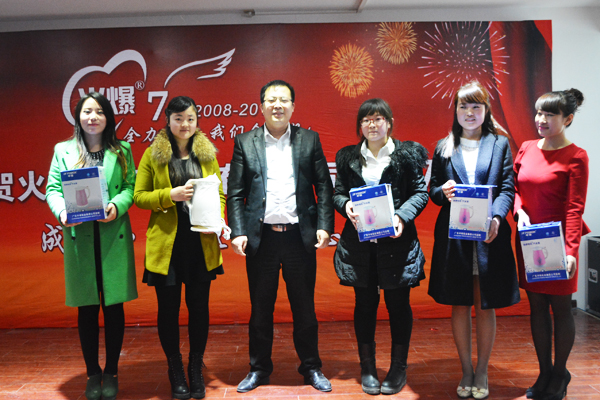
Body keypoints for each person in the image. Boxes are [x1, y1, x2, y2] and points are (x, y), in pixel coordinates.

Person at [227, 80, 335, 393]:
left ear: (293, 106)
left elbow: (323, 186)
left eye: (283, 100)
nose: (277, 105)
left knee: (304, 308)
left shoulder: (309, 140)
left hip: (299, 238)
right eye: (271, 100)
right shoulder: (245, 142)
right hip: (262, 239)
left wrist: (324, 226)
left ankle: (311, 367)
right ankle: (259, 369)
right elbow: (235, 192)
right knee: (261, 309)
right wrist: (238, 231)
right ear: (261, 106)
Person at [428, 81, 520, 400]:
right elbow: (432, 191)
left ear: (485, 110)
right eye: (463, 106)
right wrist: (443, 192)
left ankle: (482, 370)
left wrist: (497, 217)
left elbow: (507, 188)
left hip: (488, 235)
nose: (469, 112)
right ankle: (466, 369)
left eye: (476, 106)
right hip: (454, 238)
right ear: (455, 110)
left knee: (484, 303)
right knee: (460, 301)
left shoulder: (499, 144)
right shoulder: (444, 146)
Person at [332, 98, 428, 395]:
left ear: (389, 122)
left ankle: (398, 367)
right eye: (366, 120)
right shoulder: (347, 157)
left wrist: (402, 216)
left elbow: (420, 193)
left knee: (398, 304)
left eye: (378, 119)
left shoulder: (406, 155)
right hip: (360, 246)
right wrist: (345, 205)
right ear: (359, 126)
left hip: (397, 245)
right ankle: (368, 367)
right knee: (364, 305)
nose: (372, 125)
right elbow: (337, 193)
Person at [46, 92, 137, 400]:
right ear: (78, 117)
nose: (93, 117)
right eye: (87, 111)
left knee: (114, 308)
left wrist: (116, 206)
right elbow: (53, 188)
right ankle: (92, 373)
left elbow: (130, 187)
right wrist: (62, 212)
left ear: (108, 117)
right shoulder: (63, 150)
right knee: (87, 309)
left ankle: (111, 371)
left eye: (99, 111)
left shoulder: (122, 150)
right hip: (80, 239)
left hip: (112, 237)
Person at [134, 96, 225, 400]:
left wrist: (217, 219)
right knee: (168, 310)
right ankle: (174, 368)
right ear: (168, 120)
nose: (185, 125)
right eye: (178, 119)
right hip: (167, 245)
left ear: (197, 120)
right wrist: (168, 195)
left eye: (190, 119)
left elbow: (220, 195)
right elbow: (139, 196)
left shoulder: (207, 154)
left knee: (199, 308)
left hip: (200, 242)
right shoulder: (153, 154)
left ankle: (195, 366)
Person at [514, 89, 589, 400]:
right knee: (536, 307)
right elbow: (515, 188)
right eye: (538, 113)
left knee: (561, 308)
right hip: (529, 240)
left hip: (558, 243)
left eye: (549, 114)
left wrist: (571, 252)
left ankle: (560, 373)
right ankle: (544, 371)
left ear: (567, 119)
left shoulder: (577, 156)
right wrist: (518, 212)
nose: (541, 119)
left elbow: (574, 209)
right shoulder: (526, 147)